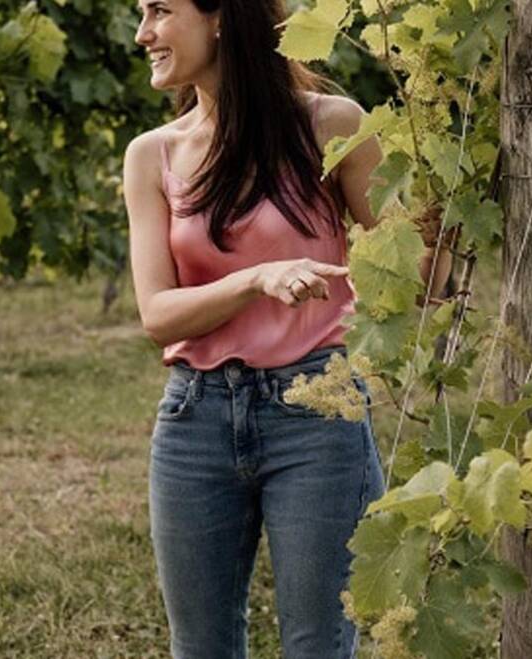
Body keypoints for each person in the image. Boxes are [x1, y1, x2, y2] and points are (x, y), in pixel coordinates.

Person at [123, 1, 451, 657]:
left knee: (319, 644)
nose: (143, 33)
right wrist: (255, 278)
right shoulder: (151, 155)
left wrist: (443, 198)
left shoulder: (332, 126)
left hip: (316, 418)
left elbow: (418, 282)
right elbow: (158, 314)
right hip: (195, 419)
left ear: (221, 16)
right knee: (202, 647)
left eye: (160, 10)